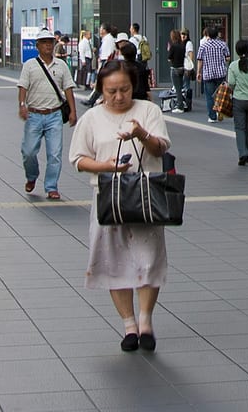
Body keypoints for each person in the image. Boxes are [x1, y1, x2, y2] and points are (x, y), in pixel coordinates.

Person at [69, 59, 172, 352]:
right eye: (111, 90)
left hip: (145, 196)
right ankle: (128, 325)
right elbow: (78, 159)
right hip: (108, 198)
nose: (118, 96)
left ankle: (146, 321)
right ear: (100, 89)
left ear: (133, 87)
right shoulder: (91, 118)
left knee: (149, 259)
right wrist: (106, 166)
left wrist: (141, 133)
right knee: (113, 262)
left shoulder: (148, 111)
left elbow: (161, 147)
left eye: (124, 89)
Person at [19, 28, 77, 201]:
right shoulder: (29, 65)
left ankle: (51, 186)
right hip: (34, 114)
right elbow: (23, 87)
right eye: (44, 42)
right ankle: (32, 175)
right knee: (28, 152)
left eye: (50, 42)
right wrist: (22, 105)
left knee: (55, 154)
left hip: (54, 115)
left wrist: (73, 111)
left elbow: (68, 89)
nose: (48, 45)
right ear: (37, 45)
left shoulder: (61, 66)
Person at [197, 25, 230, 123]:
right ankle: (220, 112)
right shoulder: (223, 45)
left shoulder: (203, 46)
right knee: (221, 95)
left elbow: (200, 60)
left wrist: (199, 72)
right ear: (217, 34)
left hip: (208, 74)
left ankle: (212, 116)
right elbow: (228, 58)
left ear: (208, 35)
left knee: (209, 96)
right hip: (220, 73)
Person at [166, 30, 189, 113]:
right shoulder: (182, 46)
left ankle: (180, 106)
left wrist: (169, 50)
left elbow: (169, 58)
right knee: (181, 87)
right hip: (182, 68)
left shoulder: (173, 46)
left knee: (177, 88)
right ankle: (183, 103)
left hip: (174, 68)